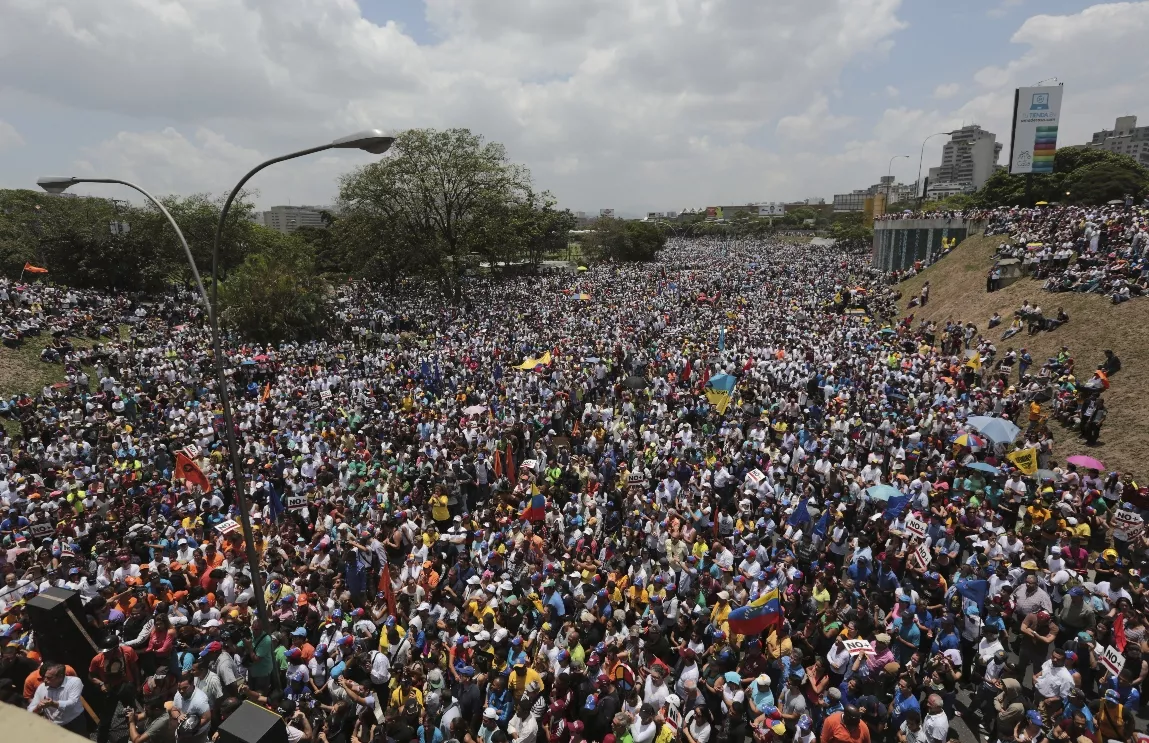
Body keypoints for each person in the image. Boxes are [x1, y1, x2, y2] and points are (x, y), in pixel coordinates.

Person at [27, 661, 87, 735]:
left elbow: (71, 704)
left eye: (49, 678)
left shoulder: (74, 682)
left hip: (75, 722)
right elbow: (30, 709)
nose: (45, 680)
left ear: (60, 677)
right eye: (44, 677)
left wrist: (52, 703)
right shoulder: (42, 688)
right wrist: (38, 708)